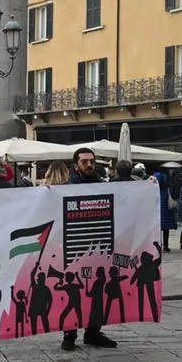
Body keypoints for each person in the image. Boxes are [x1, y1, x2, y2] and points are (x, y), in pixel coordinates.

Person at [64, 147, 117, 350]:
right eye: (85, 161)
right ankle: (69, 334)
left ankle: (93, 332)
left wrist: (148, 186)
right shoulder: (68, 184)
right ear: (76, 163)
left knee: (97, 292)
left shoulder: (99, 181)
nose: (89, 165)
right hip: (75, 245)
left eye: (92, 161)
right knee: (74, 293)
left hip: (98, 244)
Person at [153, 171, 178, 252]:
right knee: (166, 230)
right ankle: (166, 246)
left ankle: (158, 245)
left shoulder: (153, 188)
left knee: (157, 230)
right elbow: (174, 196)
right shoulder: (168, 188)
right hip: (167, 211)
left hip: (156, 212)